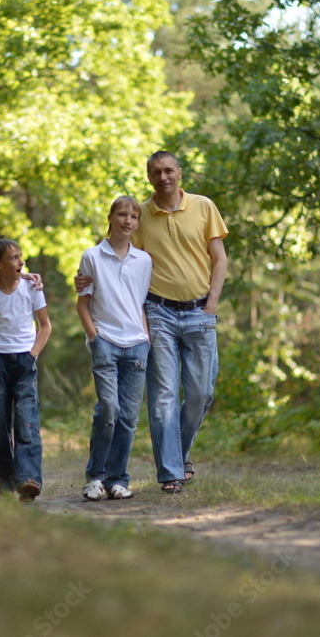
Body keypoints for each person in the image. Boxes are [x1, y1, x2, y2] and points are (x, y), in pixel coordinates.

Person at [76, 151, 228, 495]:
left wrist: (211, 307)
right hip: (157, 313)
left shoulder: (204, 206)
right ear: (149, 177)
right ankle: (171, 473)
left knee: (202, 392)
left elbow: (219, 259)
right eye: (156, 172)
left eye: (169, 170)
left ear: (180, 172)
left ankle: (180, 452)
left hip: (199, 311)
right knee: (162, 398)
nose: (163, 177)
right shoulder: (140, 214)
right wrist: (87, 280)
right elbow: (122, 259)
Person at [77, 196, 153, 501]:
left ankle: (117, 479)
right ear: (110, 217)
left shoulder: (144, 260)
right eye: (122, 215)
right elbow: (82, 304)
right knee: (108, 409)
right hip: (105, 341)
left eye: (134, 217)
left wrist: (145, 338)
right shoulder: (92, 257)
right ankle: (95, 477)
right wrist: (95, 336)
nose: (128, 221)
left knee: (128, 418)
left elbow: (142, 303)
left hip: (137, 346)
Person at [0, 238, 52, 503]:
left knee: (26, 418)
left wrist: (32, 355)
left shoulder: (32, 288)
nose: (21, 262)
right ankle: (3, 485)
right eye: (14, 258)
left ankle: (29, 479)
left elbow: (45, 326)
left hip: (25, 361)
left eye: (21, 256)